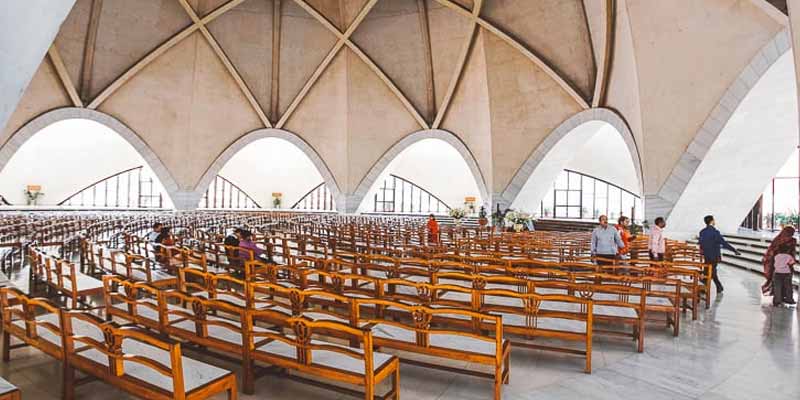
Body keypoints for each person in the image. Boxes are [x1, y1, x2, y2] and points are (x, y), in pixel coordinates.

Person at [698, 215, 741, 294]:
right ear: (711, 221)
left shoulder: (702, 232)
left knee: (708, 271)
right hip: (714, 256)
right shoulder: (715, 232)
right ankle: (715, 286)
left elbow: (701, 243)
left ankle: (710, 287)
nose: (715, 221)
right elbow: (724, 243)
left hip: (707, 256)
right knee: (711, 272)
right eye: (714, 220)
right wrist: (734, 250)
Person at [761, 226, 796, 295]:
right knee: (779, 278)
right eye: (791, 233)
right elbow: (771, 251)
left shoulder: (791, 240)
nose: (791, 235)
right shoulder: (779, 240)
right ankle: (778, 293)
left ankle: (781, 294)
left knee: (783, 278)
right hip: (780, 262)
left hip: (784, 262)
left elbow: (793, 251)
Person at [771, 242, 797, 307]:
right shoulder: (789, 256)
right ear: (787, 250)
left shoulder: (776, 256)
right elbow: (792, 263)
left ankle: (777, 301)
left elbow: (775, 263)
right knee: (788, 286)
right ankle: (789, 299)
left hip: (777, 273)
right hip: (787, 273)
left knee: (777, 287)